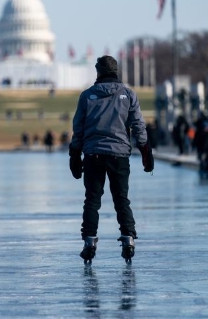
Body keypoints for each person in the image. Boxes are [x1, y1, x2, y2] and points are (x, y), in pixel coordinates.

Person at [68, 55, 153, 265]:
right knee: (121, 199)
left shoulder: (87, 96)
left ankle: (89, 241)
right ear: (116, 72)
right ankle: (128, 238)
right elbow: (138, 126)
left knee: (92, 200)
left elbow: (78, 129)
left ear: (98, 72)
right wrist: (145, 150)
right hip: (119, 154)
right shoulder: (128, 94)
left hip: (93, 154)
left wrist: (74, 155)